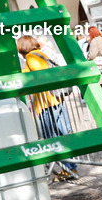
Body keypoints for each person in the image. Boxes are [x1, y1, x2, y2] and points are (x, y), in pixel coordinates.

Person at [16, 35, 78, 181]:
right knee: (63, 135)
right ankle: (72, 167)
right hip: (55, 101)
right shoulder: (41, 53)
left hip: (46, 104)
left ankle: (68, 169)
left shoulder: (31, 58)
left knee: (53, 138)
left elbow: (39, 74)